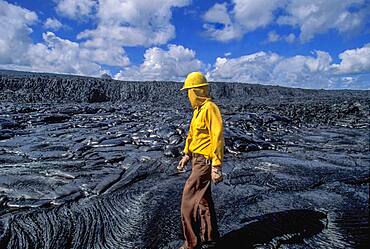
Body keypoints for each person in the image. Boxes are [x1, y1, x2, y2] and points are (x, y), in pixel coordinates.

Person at [177, 72, 224, 249]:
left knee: (187, 201)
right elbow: (192, 135)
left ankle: (191, 243)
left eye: (189, 91)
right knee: (204, 199)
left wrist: (216, 166)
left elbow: (217, 137)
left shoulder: (210, 108)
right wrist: (186, 155)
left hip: (205, 162)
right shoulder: (198, 111)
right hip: (197, 159)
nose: (188, 95)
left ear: (196, 91)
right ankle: (209, 236)